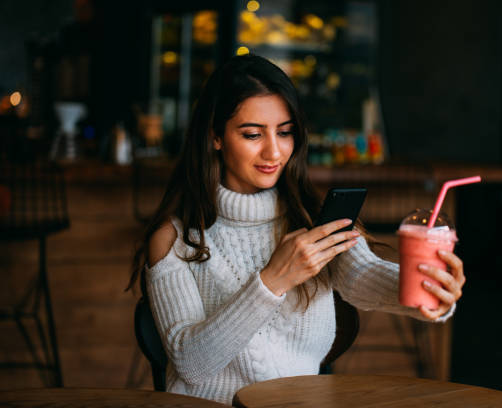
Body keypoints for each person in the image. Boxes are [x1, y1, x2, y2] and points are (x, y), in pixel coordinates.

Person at [127, 54, 465, 405]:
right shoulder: (175, 238)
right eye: (253, 134)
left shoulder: (308, 216)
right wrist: (273, 280)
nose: (274, 151)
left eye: (285, 133)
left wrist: (427, 288)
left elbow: (361, 275)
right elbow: (190, 364)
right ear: (215, 136)